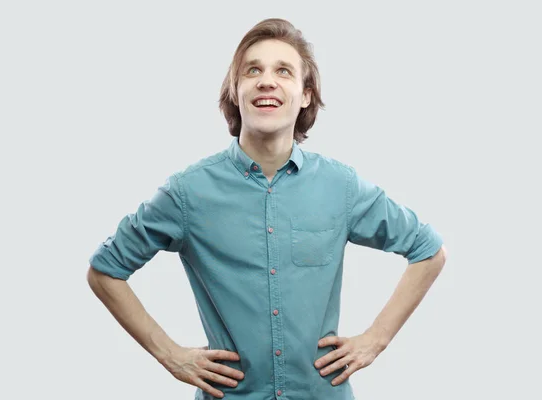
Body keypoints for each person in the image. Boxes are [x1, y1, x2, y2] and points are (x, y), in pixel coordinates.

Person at [87, 17, 447, 400]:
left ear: (306, 94)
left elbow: (428, 250)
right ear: (236, 90)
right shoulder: (187, 193)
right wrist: (170, 355)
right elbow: (105, 270)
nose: (266, 80)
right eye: (252, 70)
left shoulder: (341, 187)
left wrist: (376, 340)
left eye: (284, 71)